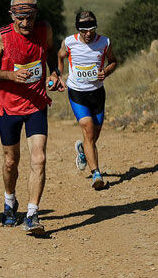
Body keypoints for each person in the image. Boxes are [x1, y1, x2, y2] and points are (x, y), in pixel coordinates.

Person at [0, 0, 63, 235]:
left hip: (36, 104)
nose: (26, 23)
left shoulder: (44, 29)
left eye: (30, 17)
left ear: (36, 15)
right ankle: (9, 202)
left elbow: (49, 53)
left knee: (39, 159)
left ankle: (32, 213)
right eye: (21, 18)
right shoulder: (2, 37)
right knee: (10, 162)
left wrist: (55, 73)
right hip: (9, 108)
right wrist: (10, 76)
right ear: (12, 16)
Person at [57, 11, 117, 190]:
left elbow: (113, 61)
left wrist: (106, 72)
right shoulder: (69, 42)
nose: (88, 33)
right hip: (77, 92)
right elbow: (60, 57)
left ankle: (83, 150)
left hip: (97, 93)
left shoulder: (105, 42)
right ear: (78, 30)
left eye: (91, 29)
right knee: (89, 130)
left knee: (95, 133)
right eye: (84, 30)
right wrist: (59, 74)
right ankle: (96, 174)